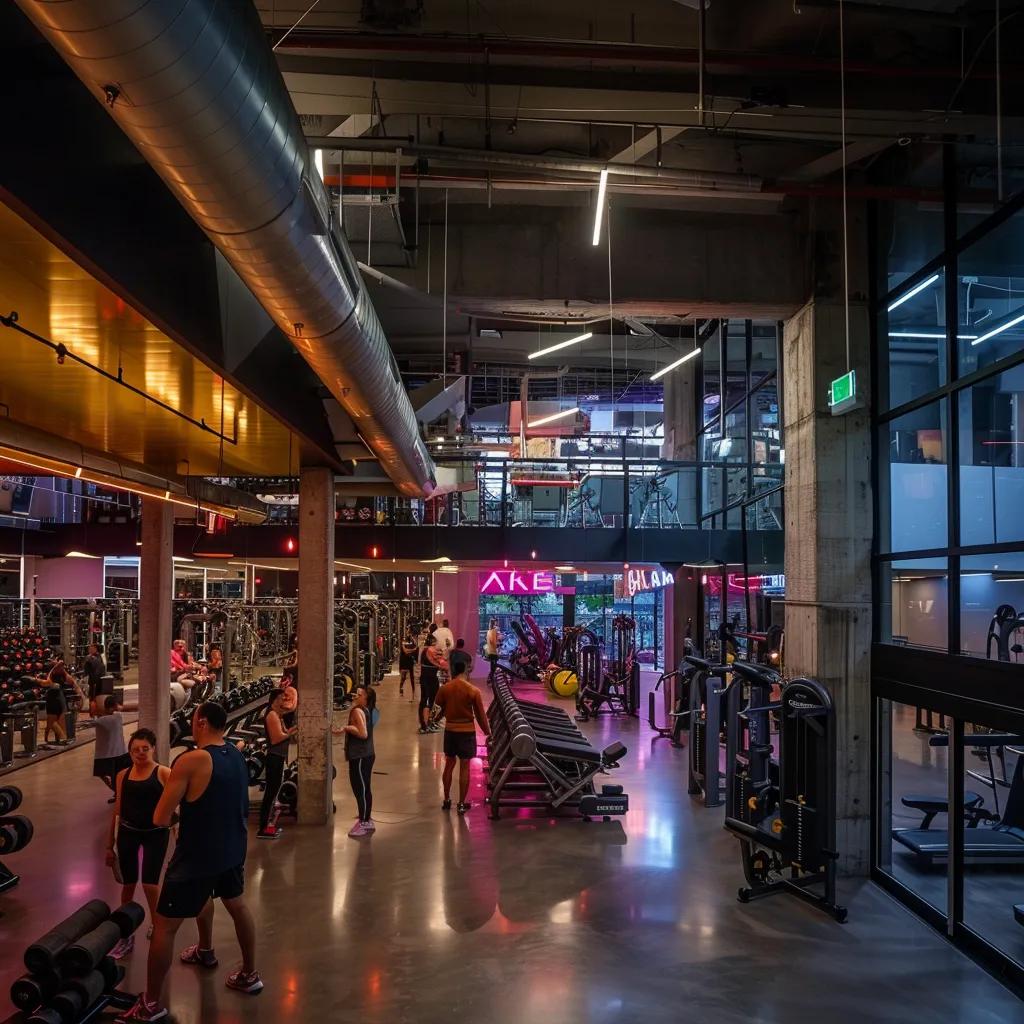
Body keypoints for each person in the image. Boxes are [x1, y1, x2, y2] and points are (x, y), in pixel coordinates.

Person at [118, 702, 260, 1022]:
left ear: (202, 722)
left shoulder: (191, 760)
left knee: (165, 928)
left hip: (196, 858)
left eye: (195, 718)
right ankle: (248, 974)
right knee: (237, 906)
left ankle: (151, 1004)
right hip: (232, 850)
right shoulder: (236, 754)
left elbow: (160, 816)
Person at [106, 729, 171, 957]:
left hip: (156, 834)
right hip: (128, 833)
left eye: (145, 749)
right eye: (135, 750)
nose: (140, 753)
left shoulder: (164, 773)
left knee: (150, 884)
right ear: (130, 752)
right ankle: (127, 932)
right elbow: (117, 811)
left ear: (153, 748)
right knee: (128, 884)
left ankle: (158, 925)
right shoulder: (123, 775)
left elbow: (176, 806)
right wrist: (109, 845)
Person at [434, 657, 491, 814]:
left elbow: (438, 709)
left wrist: (433, 721)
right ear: (465, 671)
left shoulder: (445, 689)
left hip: (450, 731)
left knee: (449, 765)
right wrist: (487, 732)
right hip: (466, 732)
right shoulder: (472, 691)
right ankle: (460, 803)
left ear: (453, 671)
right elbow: (480, 716)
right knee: (465, 767)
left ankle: (446, 799)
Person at [256, 688, 295, 840]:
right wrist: (290, 733)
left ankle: (268, 825)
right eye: (281, 698)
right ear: (274, 699)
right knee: (270, 793)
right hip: (274, 756)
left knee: (274, 791)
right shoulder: (271, 715)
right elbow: (276, 738)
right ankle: (263, 827)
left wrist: (292, 730)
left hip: (279, 756)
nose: (283, 700)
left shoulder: (277, 715)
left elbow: (284, 732)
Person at [342, 685, 376, 838]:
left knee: (359, 789)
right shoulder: (366, 710)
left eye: (359, 694)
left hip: (360, 756)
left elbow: (362, 733)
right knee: (365, 787)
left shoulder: (357, 711)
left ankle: (362, 822)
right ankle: (366, 819)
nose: (355, 695)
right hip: (367, 755)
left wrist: (347, 728)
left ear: (365, 698)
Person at [94, 696, 131, 802]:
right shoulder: (118, 717)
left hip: (107, 754)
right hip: (119, 752)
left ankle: (119, 794)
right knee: (117, 776)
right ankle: (119, 793)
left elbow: (95, 721)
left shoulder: (103, 720)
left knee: (109, 775)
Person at [418, 635, 446, 735]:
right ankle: (428, 723)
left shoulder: (424, 651)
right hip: (431, 678)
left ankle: (424, 725)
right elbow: (443, 663)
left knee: (424, 701)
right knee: (432, 701)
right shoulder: (433, 650)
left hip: (424, 677)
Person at [83, 643, 106, 717]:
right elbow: (85, 670)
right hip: (92, 681)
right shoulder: (89, 658)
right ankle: (93, 713)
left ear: (95, 649)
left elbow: (100, 669)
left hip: (97, 680)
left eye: (91, 648)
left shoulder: (98, 657)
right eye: (89, 648)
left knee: (96, 697)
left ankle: (97, 712)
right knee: (92, 697)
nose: (90, 650)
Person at [398, 630, 418, 699]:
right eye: (408, 632)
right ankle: (401, 689)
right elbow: (405, 651)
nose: (409, 633)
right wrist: (413, 650)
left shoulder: (413, 640)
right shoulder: (403, 640)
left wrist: (413, 639)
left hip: (410, 660)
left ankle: (412, 694)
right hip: (404, 660)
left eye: (410, 632)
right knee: (403, 677)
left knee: (412, 678)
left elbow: (416, 647)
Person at [485, 618, 501, 682]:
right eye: (496, 622)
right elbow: (494, 641)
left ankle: (491, 678)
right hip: (494, 651)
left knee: (492, 665)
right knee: (494, 666)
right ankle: (492, 679)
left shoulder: (489, 631)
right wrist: (498, 646)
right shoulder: (494, 630)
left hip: (490, 651)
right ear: (494, 623)